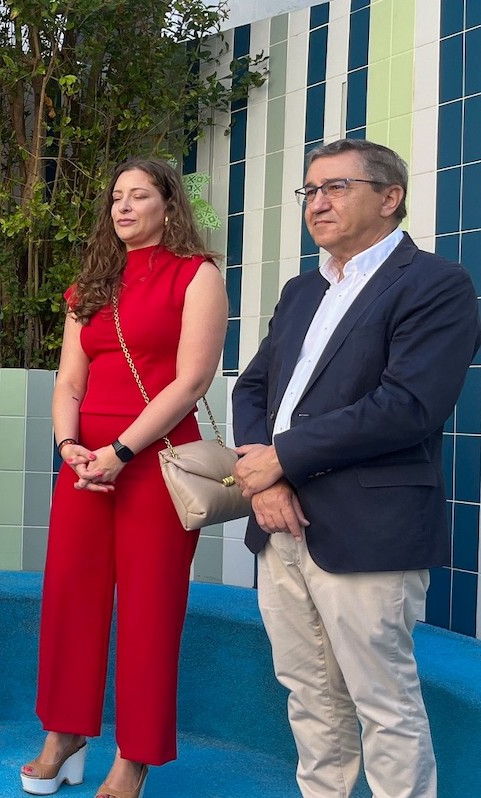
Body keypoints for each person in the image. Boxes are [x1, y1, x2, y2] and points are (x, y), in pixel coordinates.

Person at [232, 138, 480, 798]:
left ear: (389, 196)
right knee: (309, 698)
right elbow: (251, 390)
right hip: (278, 523)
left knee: (384, 707)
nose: (317, 203)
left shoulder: (436, 285)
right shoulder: (301, 290)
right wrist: (268, 481)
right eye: (309, 191)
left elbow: (407, 407)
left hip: (368, 528)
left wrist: (280, 458)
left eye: (334, 187)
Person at [24, 158, 225, 798]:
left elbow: (191, 383)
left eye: (140, 195)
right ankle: (65, 731)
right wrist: (71, 446)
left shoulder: (198, 276)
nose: (124, 206)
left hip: (156, 462)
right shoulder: (89, 287)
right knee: (69, 599)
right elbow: (69, 382)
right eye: (116, 197)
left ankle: (134, 755)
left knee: (149, 609)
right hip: (86, 464)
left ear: (170, 206)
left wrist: (120, 450)